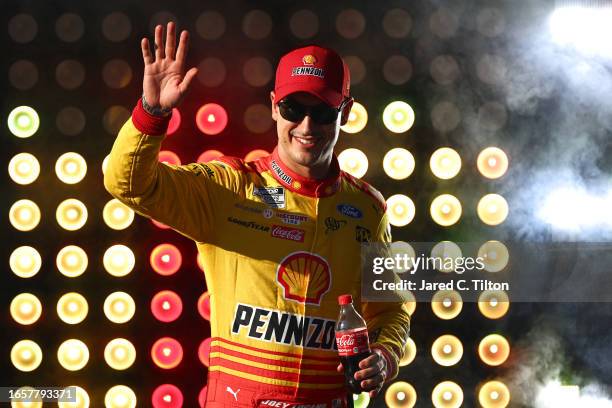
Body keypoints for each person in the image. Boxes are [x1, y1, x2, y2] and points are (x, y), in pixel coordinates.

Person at [104, 21, 410, 408]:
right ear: (273, 107)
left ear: (345, 112)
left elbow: (390, 310)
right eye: (293, 108)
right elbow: (127, 185)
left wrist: (384, 355)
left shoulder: (368, 209)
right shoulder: (229, 188)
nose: (306, 125)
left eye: (322, 112)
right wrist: (151, 113)